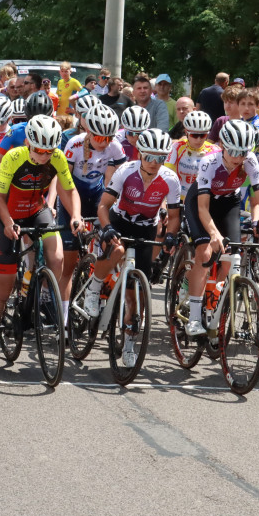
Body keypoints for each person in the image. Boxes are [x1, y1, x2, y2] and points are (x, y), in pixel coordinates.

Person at [0, 115, 82, 368]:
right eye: (39, 150)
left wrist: (76, 215)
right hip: (9, 214)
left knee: (57, 258)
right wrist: (10, 222)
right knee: (4, 287)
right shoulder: (13, 158)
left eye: (49, 151)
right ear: (28, 142)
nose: (44, 156)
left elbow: (69, 191)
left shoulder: (57, 158)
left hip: (37, 210)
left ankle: (50, 304)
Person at [85, 128, 182, 365]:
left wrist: (170, 235)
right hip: (119, 221)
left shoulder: (170, 179)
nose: (154, 163)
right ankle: (95, 287)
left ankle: (129, 344)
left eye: (160, 158)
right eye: (149, 157)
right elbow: (103, 206)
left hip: (146, 228)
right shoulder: (125, 171)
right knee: (117, 250)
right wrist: (107, 228)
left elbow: (174, 216)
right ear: (139, 153)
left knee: (137, 296)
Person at [184, 119, 259, 336]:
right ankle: (195, 317)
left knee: (231, 256)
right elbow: (203, 209)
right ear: (222, 146)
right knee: (206, 252)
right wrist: (214, 234)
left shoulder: (250, 160)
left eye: (243, 152)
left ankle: (212, 299)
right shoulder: (209, 162)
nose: (238, 158)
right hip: (202, 203)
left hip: (228, 202)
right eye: (233, 151)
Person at [57, 104, 127, 312]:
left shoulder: (115, 146)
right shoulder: (74, 144)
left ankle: (96, 283)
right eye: (100, 138)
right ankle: (63, 315)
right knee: (68, 266)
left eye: (109, 138)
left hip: (97, 195)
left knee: (110, 238)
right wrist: (74, 214)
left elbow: (121, 180)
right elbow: (63, 183)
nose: (105, 143)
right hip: (72, 194)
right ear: (89, 131)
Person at [165, 111, 217, 199]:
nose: (199, 139)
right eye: (194, 135)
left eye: (203, 135)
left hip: (202, 198)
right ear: (186, 132)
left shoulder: (214, 151)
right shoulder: (177, 147)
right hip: (178, 196)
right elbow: (166, 172)